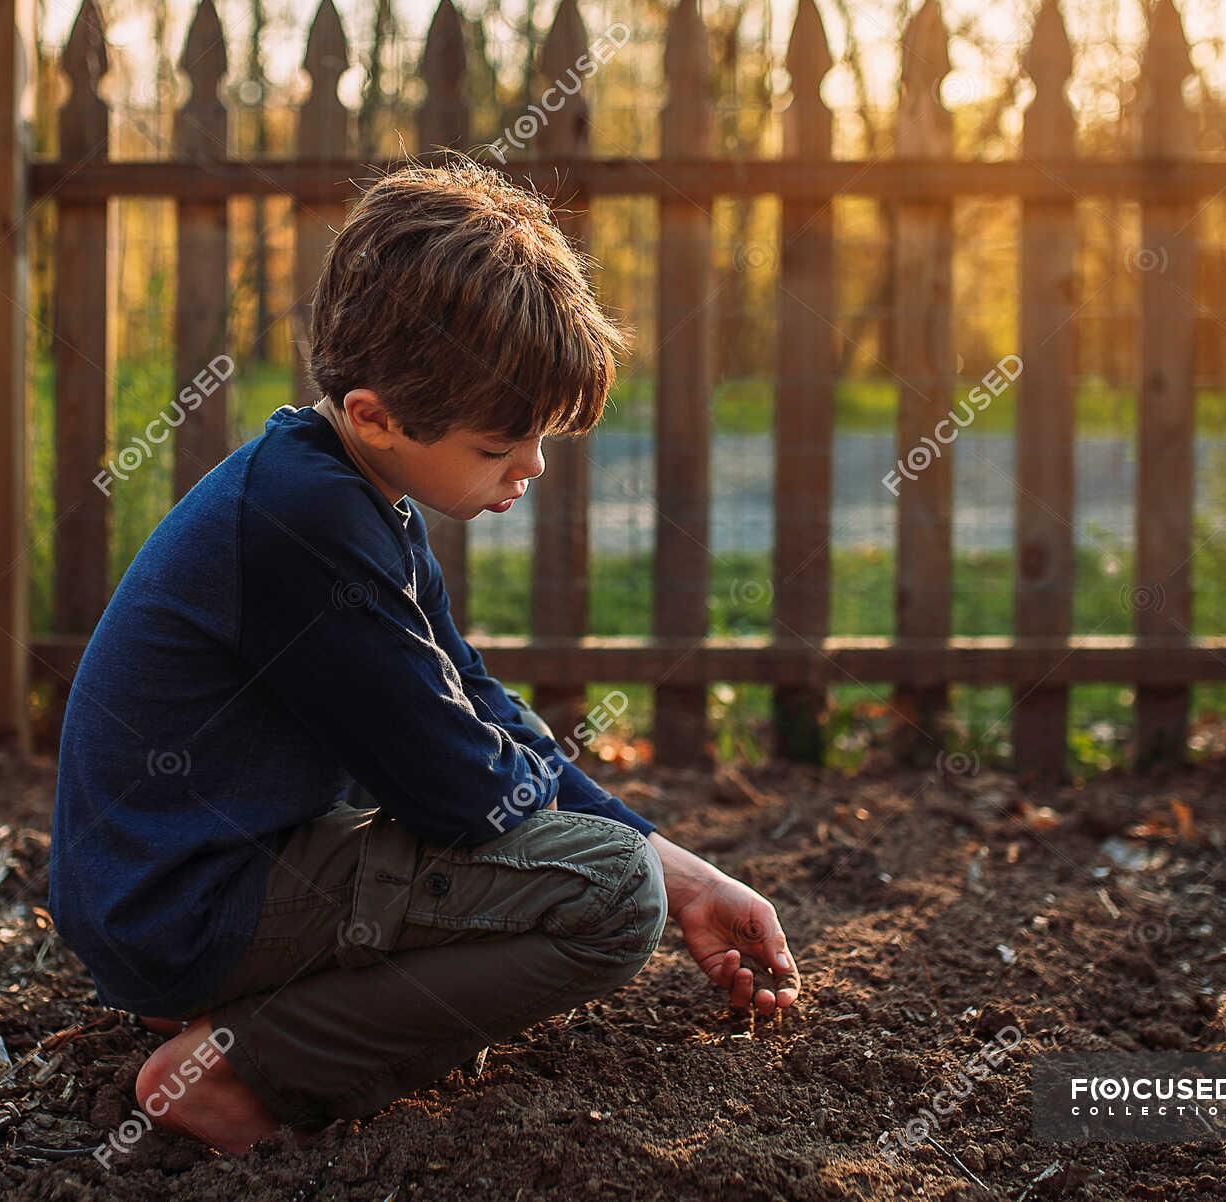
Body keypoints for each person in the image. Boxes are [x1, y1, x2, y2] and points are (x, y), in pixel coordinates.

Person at [49, 159, 800, 1157]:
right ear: (375, 415)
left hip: (180, 885)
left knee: (632, 870)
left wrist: (687, 871)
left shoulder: (341, 488)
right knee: (614, 899)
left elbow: (474, 700)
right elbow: (459, 788)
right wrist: (636, 868)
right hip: (185, 906)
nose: (531, 467)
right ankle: (238, 1072)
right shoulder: (305, 524)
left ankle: (247, 1004)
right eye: (502, 445)